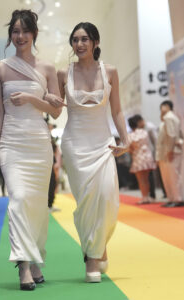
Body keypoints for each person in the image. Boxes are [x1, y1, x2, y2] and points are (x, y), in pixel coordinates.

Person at [0, 9, 63, 291]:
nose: (20, 37)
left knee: (37, 207)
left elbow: (56, 112)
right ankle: (22, 265)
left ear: (34, 34)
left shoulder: (47, 69)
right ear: (11, 35)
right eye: (15, 32)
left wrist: (33, 97)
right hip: (11, 143)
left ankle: (34, 260)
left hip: (38, 143)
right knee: (18, 199)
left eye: (24, 31)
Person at [53, 22, 129, 283]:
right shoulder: (63, 74)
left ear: (96, 42)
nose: (80, 44)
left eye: (85, 39)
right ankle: (92, 260)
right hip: (75, 145)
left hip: (103, 144)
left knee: (108, 199)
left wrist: (126, 138)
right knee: (86, 203)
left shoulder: (110, 71)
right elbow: (54, 111)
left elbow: (117, 110)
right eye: (75, 39)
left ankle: (96, 247)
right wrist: (39, 99)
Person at [156, 100, 184, 207]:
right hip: (167, 151)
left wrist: (170, 150)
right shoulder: (168, 118)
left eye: (163, 106)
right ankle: (172, 198)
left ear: (168, 106)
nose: (161, 109)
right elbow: (179, 135)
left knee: (173, 176)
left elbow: (172, 135)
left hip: (170, 151)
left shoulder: (169, 117)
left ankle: (177, 199)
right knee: (168, 177)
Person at [128, 115, 157, 204]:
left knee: (141, 180)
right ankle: (148, 197)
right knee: (147, 179)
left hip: (138, 158)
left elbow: (129, 149)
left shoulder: (130, 135)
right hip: (147, 157)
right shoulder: (144, 132)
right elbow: (149, 143)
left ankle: (144, 197)